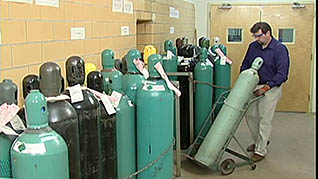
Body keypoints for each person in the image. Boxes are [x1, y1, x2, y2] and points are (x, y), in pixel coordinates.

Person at [240, 22, 290, 162]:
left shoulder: (279, 49)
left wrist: (266, 88)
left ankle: (260, 150)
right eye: (254, 36)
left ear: (268, 33)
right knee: (250, 115)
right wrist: (244, 80)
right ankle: (260, 141)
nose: (256, 39)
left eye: (259, 36)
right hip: (252, 85)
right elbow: (245, 64)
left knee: (264, 118)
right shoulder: (253, 47)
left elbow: (282, 74)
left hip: (271, 87)